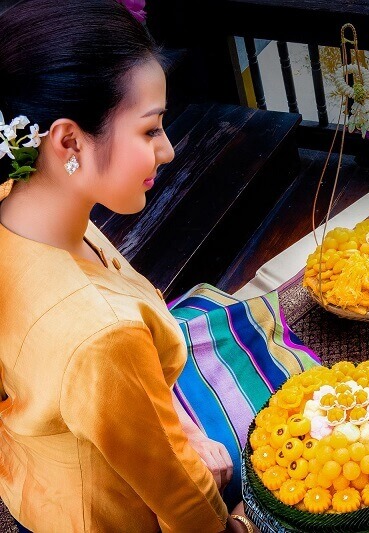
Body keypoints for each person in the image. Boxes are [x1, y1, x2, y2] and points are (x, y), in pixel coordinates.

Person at [0, 1, 257, 531]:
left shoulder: (14, 201)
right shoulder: (102, 334)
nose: (166, 151)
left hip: (39, 471)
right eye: (149, 130)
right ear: (68, 140)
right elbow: (181, 499)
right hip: (109, 510)